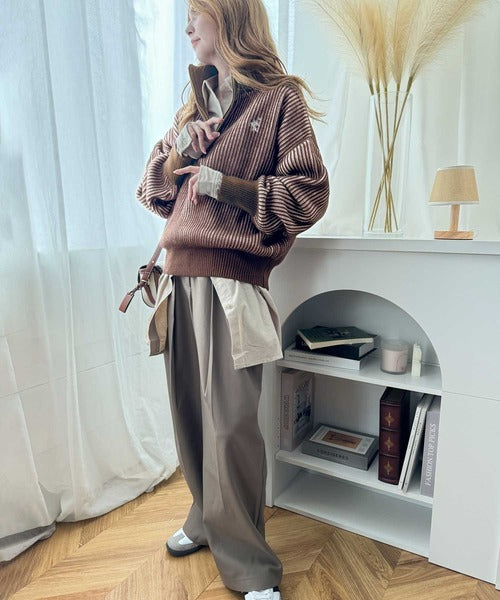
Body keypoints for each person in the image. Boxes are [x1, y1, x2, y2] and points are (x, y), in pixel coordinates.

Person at [135, 1, 329, 598]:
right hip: (178, 276)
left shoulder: (279, 100)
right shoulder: (194, 103)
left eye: (198, 13)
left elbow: (309, 194)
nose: (188, 26)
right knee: (190, 418)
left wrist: (228, 186)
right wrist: (180, 153)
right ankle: (204, 517)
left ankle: (249, 565)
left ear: (230, 17)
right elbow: (150, 190)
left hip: (230, 281)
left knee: (232, 426)